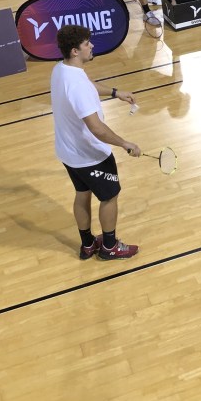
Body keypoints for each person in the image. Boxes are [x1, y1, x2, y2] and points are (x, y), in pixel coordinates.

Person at [51, 25, 140, 261]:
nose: (91, 46)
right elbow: (97, 128)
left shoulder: (61, 69)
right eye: (86, 44)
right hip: (91, 156)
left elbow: (88, 84)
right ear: (74, 51)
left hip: (68, 153)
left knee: (82, 193)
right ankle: (110, 247)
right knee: (109, 197)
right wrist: (125, 143)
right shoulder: (77, 86)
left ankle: (88, 244)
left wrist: (115, 92)